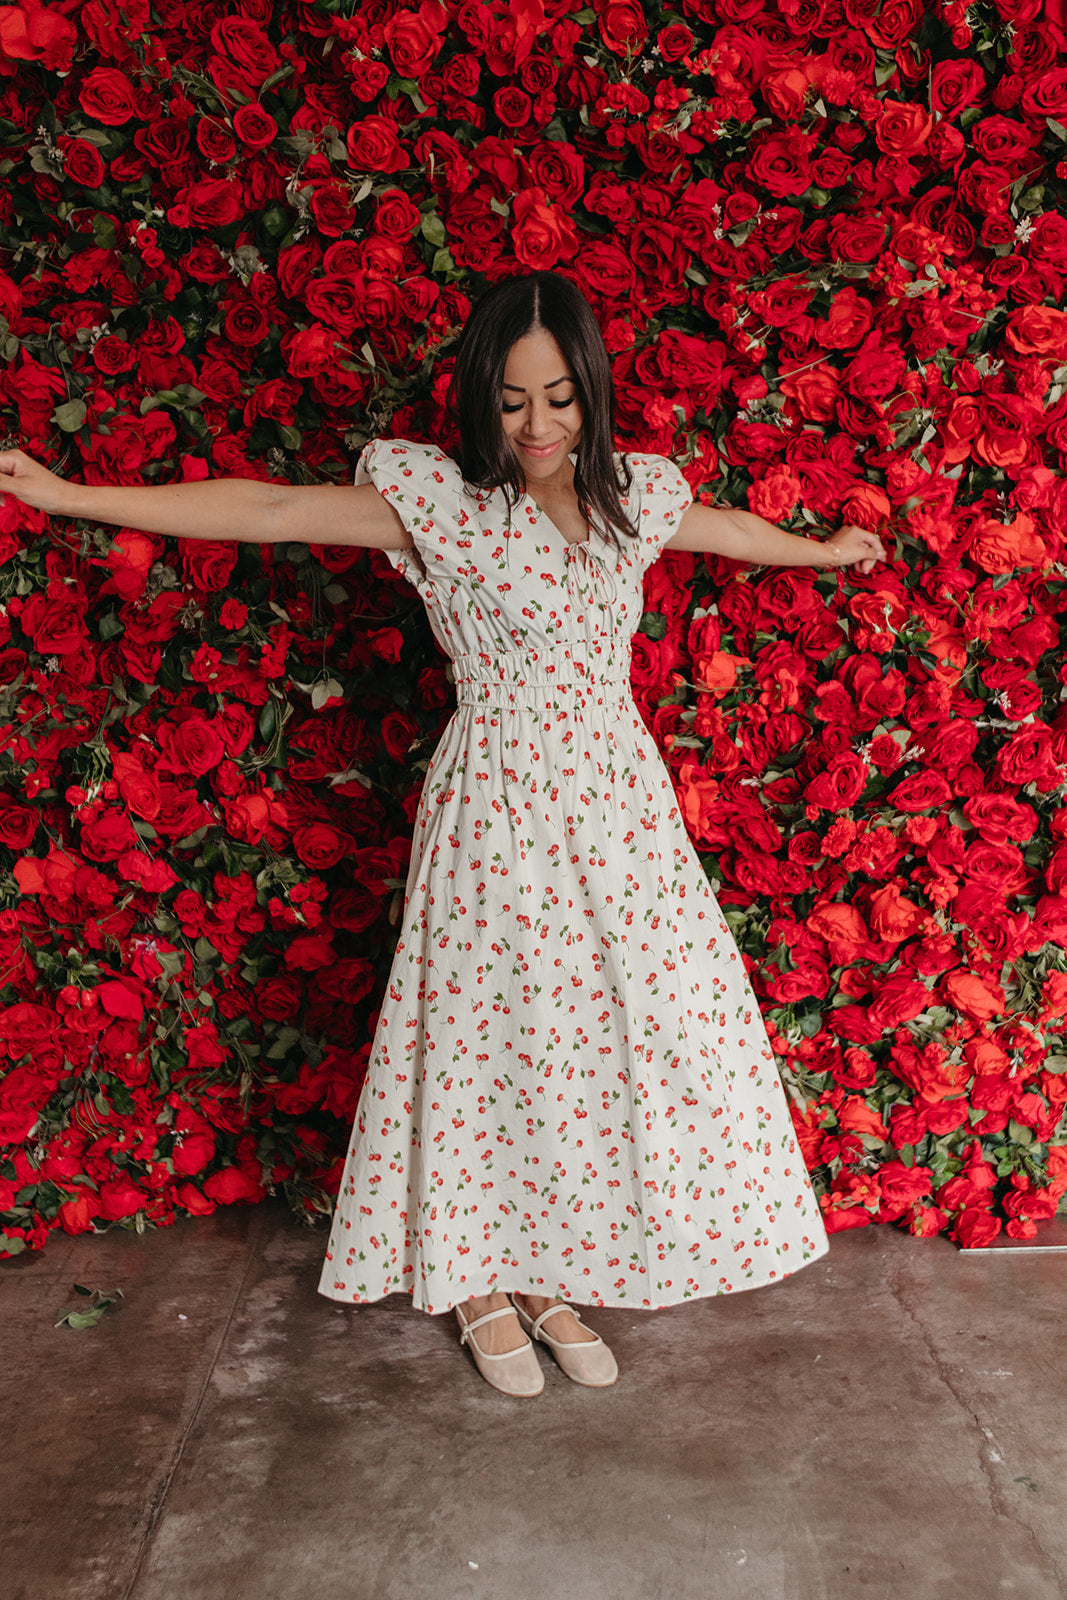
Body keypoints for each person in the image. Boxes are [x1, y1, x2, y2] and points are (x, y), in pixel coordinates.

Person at [0, 271, 886, 1397]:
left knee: (601, 1035)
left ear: (591, 392)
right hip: (500, 803)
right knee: (495, 1033)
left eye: (560, 398)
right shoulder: (447, 503)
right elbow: (269, 510)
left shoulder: (628, 499)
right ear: (480, 398)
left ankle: (545, 1260)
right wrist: (77, 498)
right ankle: (477, 1276)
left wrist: (821, 550)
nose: (538, 426)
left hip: (619, 810)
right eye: (513, 401)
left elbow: (727, 532)